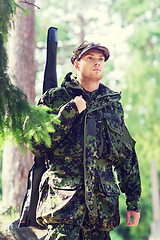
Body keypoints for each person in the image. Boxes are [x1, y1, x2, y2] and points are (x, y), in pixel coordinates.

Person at [22, 41, 141, 240]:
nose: (97, 63)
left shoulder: (112, 105)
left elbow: (125, 155)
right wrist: (68, 113)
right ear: (77, 65)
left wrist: (133, 201)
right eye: (90, 58)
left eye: (101, 59)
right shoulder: (54, 99)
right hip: (63, 205)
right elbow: (35, 143)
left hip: (101, 208)